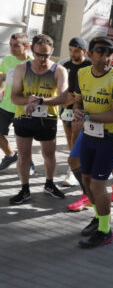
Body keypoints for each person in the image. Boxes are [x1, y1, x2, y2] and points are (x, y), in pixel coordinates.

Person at [71, 37, 113, 248]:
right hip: (89, 135)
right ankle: (99, 217)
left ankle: (106, 230)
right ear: (89, 54)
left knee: (97, 185)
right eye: (100, 52)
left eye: (109, 54)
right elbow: (78, 100)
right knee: (86, 180)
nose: (105, 57)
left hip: (110, 138)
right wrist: (77, 109)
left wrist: (86, 117)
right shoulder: (82, 73)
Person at [8, 34, 69, 204]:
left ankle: (49, 184)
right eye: (38, 54)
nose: (42, 59)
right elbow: (14, 97)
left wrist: (41, 101)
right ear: (31, 50)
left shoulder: (59, 70)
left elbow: (63, 98)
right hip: (24, 117)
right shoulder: (21, 68)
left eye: (46, 55)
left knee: (48, 154)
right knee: (23, 156)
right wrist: (28, 100)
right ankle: (24, 189)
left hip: (47, 119)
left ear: (52, 52)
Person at [59, 37, 90, 187]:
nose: (73, 53)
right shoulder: (64, 64)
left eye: (76, 51)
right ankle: (72, 169)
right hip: (66, 107)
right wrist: (64, 101)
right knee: (70, 139)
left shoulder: (90, 64)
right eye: (71, 50)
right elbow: (58, 86)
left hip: (84, 108)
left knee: (80, 139)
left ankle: (81, 168)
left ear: (84, 51)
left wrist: (75, 100)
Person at [0, 33, 32, 173]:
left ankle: (28, 162)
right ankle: (10, 155)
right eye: (11, 45)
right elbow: (2, 82)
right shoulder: (6, 60)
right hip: (5, 105)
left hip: (23, 108)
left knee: (24, 140)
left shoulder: (32, 63)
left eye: (16, 46)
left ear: (26, 47)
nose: (12, 48)